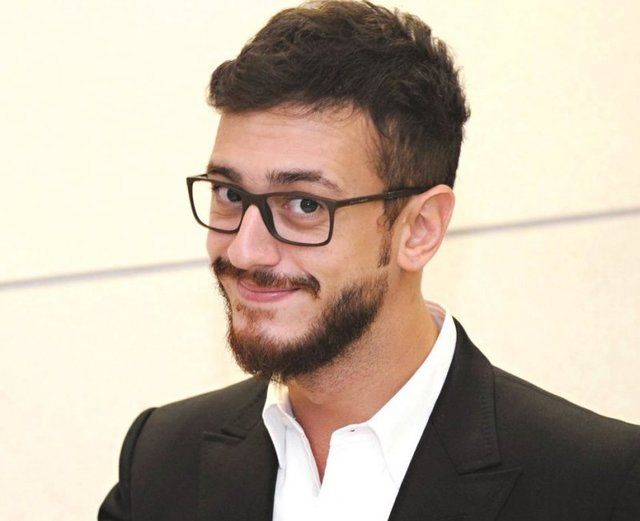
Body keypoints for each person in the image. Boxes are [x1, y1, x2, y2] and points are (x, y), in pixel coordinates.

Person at [99, 1, 640, 520]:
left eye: (304, 205)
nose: (244, 250)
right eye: (230, 194)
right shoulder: (162, 461)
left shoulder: (598, 486)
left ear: (420, 229)